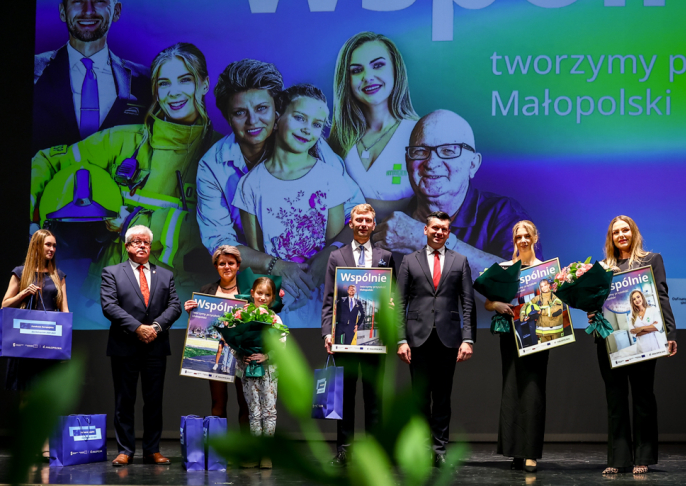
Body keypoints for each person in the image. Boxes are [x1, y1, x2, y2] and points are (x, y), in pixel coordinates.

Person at [31, 42, 220, 306]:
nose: (173, 92)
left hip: (180, 300)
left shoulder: (221, 154)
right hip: (103, 298)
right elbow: (47, 161)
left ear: (204, 84)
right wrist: (30, 220)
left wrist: (132, 225)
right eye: (164, 83)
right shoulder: (122, 141)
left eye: (185, 80)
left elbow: (221, 238)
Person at [196, 59, 364, 301]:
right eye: (240, 112)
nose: (253, 121)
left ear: (277, 109)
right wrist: (276, 266)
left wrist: (331, 253)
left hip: (320, 269)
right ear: (228, 118)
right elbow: (221, 246)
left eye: (262, 109)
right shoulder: (212, 167)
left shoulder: (312, 147)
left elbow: (356, 217)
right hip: (256, 273)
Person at [234, 84, 358, 327]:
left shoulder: (330, 178)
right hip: (278, 307)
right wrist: (281, 295)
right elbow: (257, 256)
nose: (307, 129)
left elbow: (330, 251)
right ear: (278, 119)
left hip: (321, 306)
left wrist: (309, 283)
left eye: (316, 124)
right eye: (300, 117)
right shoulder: (250, 184)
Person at [372, 110, 536, 287]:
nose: (431, 163)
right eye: (420, 151)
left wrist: (428, 241)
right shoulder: (386, 226)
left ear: (473, 164)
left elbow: (527, 290)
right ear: (407, 162)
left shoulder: (505, 214)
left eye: (448, 151)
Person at [32, 0, 150, 155]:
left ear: (117, 11)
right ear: (63, 11)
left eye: (100, 1)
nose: (88, 11)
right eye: (78, 1)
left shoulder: (146, 80)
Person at [594, 215, 678, 476]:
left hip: (646, 342)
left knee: (643, 397)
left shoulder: (651, 260)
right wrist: (592, 313)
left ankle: (643, 456)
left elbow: (661, 295)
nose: (621, 235)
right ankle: (618, 458)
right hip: (608, 339)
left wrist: (670, 333)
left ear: (633, 233)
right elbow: (596, 302)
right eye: (616, 232)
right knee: (615, 399)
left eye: (625, 230)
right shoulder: (602, 268)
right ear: (611, 238)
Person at [396, 211, 475, 466]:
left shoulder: (460, 261)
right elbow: (400, 303)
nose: (439, 232)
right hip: (416, 339)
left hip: (448, 339)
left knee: (442, 397)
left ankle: (439, 450)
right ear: (425, 230)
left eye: (444, 229)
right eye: (435, 228)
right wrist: (400, 339)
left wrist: (468, 339)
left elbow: (468, 303)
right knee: (419, 398)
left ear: (449, 233)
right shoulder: (409, 261)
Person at [320, 203, 396, 467]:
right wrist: (326, 334)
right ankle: (345, 450)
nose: (363, 224)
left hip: (376, 340)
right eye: (358, 220)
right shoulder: (337, 257)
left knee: (374, 397)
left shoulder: (386, 256)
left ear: (374, 225)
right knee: (346, 397)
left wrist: (391, 305)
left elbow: (393, 295)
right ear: (350, 224)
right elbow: (329, 299)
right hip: (344, 339)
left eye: (368, 220)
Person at [100, 225, 181, 466]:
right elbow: (109, 306)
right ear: (126, 247)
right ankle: (125, 450)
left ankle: (152, 450)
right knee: (124, 400)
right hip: (125, 345)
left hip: (155, 346)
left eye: (146, 241)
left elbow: (175, 306)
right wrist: (138, 327)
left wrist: (154, 328)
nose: (142, 245)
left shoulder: (165, 275)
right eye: (136, 241)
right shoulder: (111, 272)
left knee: (154, 401)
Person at [329, 32, 419, 220]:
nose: (368, 77)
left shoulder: (419, 134)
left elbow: (427, 206)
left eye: (378, 65)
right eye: (356, 70)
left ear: (396, 70)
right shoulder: (336, 144)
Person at [484, 221, 549, 473]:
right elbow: (489, 303)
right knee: (511, 390)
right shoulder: (505, 269)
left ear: (535, 238)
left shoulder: (546, 271)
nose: (522, 240)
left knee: (533, 392)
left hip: (540, 335)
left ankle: (531, 453)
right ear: (514, 241)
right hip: (511, 336)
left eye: (527, 236)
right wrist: (498, 306)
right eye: (518, 236)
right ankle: (515, 452)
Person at [182, 245, 250, 429]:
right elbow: (202, 323)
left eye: (231, 263)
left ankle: (246, 456)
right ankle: (218, 454)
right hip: (216, 353)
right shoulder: (207, 290)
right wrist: (192, 312)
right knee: (217, 405)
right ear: (216, 266)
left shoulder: (249, 291)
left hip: (243, 355)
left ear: (238, 265)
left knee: (245, 404)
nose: (226, 267)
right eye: (222, 263)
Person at [3, 230, 69, 393]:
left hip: (49, 342)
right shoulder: (20, 272)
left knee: (49, 394)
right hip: (25, 342)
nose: (52, 249)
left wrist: (64, 346)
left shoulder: (58, 276)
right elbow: (5, 305)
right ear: (36, 245)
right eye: (48, 244)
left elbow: (65, 311)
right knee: (26, 394)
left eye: (54, 245)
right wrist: (23, 293)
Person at [236, 277, 282, 469]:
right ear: (252, 293)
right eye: (260, 293)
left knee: (269, 411)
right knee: (253, 412)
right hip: (248, 370)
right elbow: (234, 342)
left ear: (272, 298)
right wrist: (242, 356)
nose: (263, 297)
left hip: (269, 370)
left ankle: (267, 454)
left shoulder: (275, 319)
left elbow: (282, 345)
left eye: (267, 294)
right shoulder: (241, 315)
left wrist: (267, 355)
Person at [627, 290, 667, 354]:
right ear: (632, 302)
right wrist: (652, 327)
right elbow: (633, 332)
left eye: (638, 297)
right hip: (643, 347)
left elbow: (658, 327)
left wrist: (640, 328)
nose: (637, 300)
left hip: (657, 344)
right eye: (634, 299)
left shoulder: (653, 310)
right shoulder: (631, 316)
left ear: (642, 297)